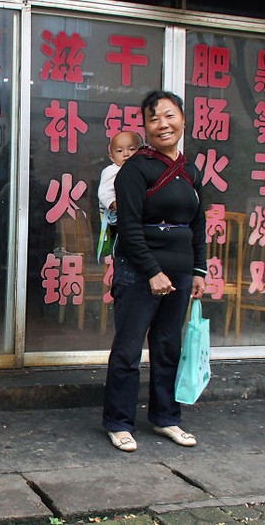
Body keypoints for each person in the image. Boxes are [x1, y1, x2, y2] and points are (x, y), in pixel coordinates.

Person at [102, 90, 206, 452]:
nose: (163, 124)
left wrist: (199, 270)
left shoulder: (191, 171)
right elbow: (128, 227)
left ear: (183, 120)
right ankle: (118, 422)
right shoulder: (135, 169)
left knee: (167, 347)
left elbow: (198, 225)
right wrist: (152, 271)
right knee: (128, 349)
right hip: (138, 272)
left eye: (169, 116)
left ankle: (166, 417)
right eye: (154, 118)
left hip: (180, 272)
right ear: (145, 127)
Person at [97, 131, 143, 260]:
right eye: (119, 151)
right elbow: (104, 192)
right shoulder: (111, 171)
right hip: (118, 215)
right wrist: (115, 204)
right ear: (112, 157)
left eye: (132, 149)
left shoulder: (141, 170)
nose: (126, 154)